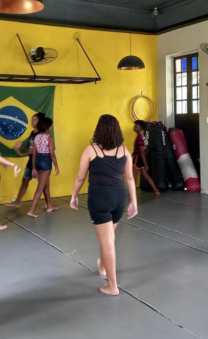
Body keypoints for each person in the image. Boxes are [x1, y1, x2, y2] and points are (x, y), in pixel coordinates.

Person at [70, 115, 137, 296]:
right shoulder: (124, 151)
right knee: (108, 236)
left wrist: (73, 196)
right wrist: (134, 202)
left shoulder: (90, 150)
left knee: (107, 241)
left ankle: (112, 286)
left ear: (98, 130)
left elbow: (80, 177)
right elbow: (130, 178)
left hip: (100, 197)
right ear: (117, 131)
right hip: (119, 197)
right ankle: (102, 264)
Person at [5, 112, 50, 208]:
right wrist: (23, 144)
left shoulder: (40, 134)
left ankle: (48, 203)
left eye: (35, 120)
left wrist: (21, 153)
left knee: (44, 184)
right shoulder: (32, 133)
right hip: (31, 162)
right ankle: (17, 202)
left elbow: (35, 150)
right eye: (32, 119)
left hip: (39, 163)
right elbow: (31, 146)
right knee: (25, 181)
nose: (32, 121)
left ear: (40, 121)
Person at [27, 117, 59, 217]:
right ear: (48, 128)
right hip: (45, 161)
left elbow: (34, 154)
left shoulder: (36, 137)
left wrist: (33, 167)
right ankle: (31, 211)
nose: (51, 127)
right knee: (40, 187)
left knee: (45, 183)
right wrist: (56, 166)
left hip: (38, 161)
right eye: (50, 126)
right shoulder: (49, 138)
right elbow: (52, 154)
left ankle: (49, 206)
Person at [132, 120, 160, 197]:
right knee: (145, 175)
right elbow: (140, 150)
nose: (134, 127)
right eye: (134, 125)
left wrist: (145, 164)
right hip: (139, 157)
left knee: (133, 176)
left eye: (136, 125)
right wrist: (132, 154)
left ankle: (131, 194)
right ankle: (155, 190)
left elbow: (141, 152)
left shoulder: (139, 137)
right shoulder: (141, 136)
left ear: (140, 128)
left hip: (138, 158)